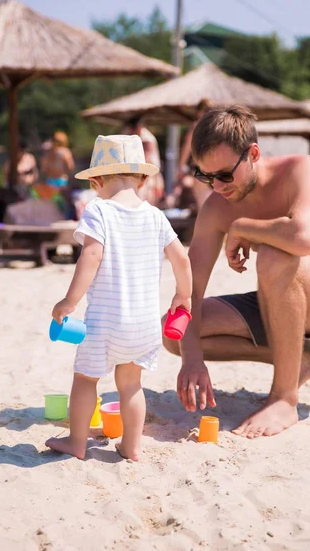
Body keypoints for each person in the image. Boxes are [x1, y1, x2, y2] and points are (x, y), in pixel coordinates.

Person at [162, 105, 310, 439]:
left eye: (225, 175)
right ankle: (300, 363)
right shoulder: (217, 206)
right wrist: (192, 359)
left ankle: (285, 398)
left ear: (253, 154)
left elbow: (303, 238)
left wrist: (244, 226)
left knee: (276, 254)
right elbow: (190, 292)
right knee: (175, 331)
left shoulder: (302, 170)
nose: (216, 187)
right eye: (206, 176)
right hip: (282, 308)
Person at [45, 134, 192, 461]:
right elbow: (182, 259)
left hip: (105, 323)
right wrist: (183, 296)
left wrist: (69, 302)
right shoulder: (155, 216)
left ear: (95, 180)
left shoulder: (99, 211)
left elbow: (91, 257)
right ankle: (131, 446)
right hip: (143, 325)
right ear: (142, 178)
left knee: (85, 380)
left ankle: (77, 443)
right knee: (131, 385)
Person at [177, 99, 214, 212]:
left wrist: (181, 167)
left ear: (198, 112)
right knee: (215, 206)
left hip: (200, 170)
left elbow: (187, 147)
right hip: (216, 171)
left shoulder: (196, 127)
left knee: (203, 208)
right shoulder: (217, 128)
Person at [124, 118, 164, 206]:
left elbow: (145, 160)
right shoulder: (143, 137)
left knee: (143, 202)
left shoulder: (146, 139)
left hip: (148, 175)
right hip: (147, 174)